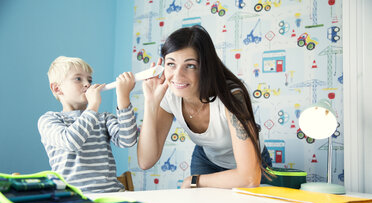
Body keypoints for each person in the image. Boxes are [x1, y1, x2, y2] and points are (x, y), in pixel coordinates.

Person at [137, 25, 272, 189]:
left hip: (250, 165)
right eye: (171, 64)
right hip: (207, 159)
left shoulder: (231, 96)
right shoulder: (169, 95)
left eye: (190, 65)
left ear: (206, 67)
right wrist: (151, 103)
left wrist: (194, 180)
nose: (177, 75)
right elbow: (146, 161)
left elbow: (249, 178)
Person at [38, 56, 137, 193]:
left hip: (113, 194)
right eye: (78, 79)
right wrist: (93, 106)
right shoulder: (48, 120)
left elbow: (128, 140)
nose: (87, 84)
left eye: (89, 80)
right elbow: (71, 142)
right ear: (57, 89)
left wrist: (123, 97)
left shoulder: (103, 118)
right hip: (73, 197)